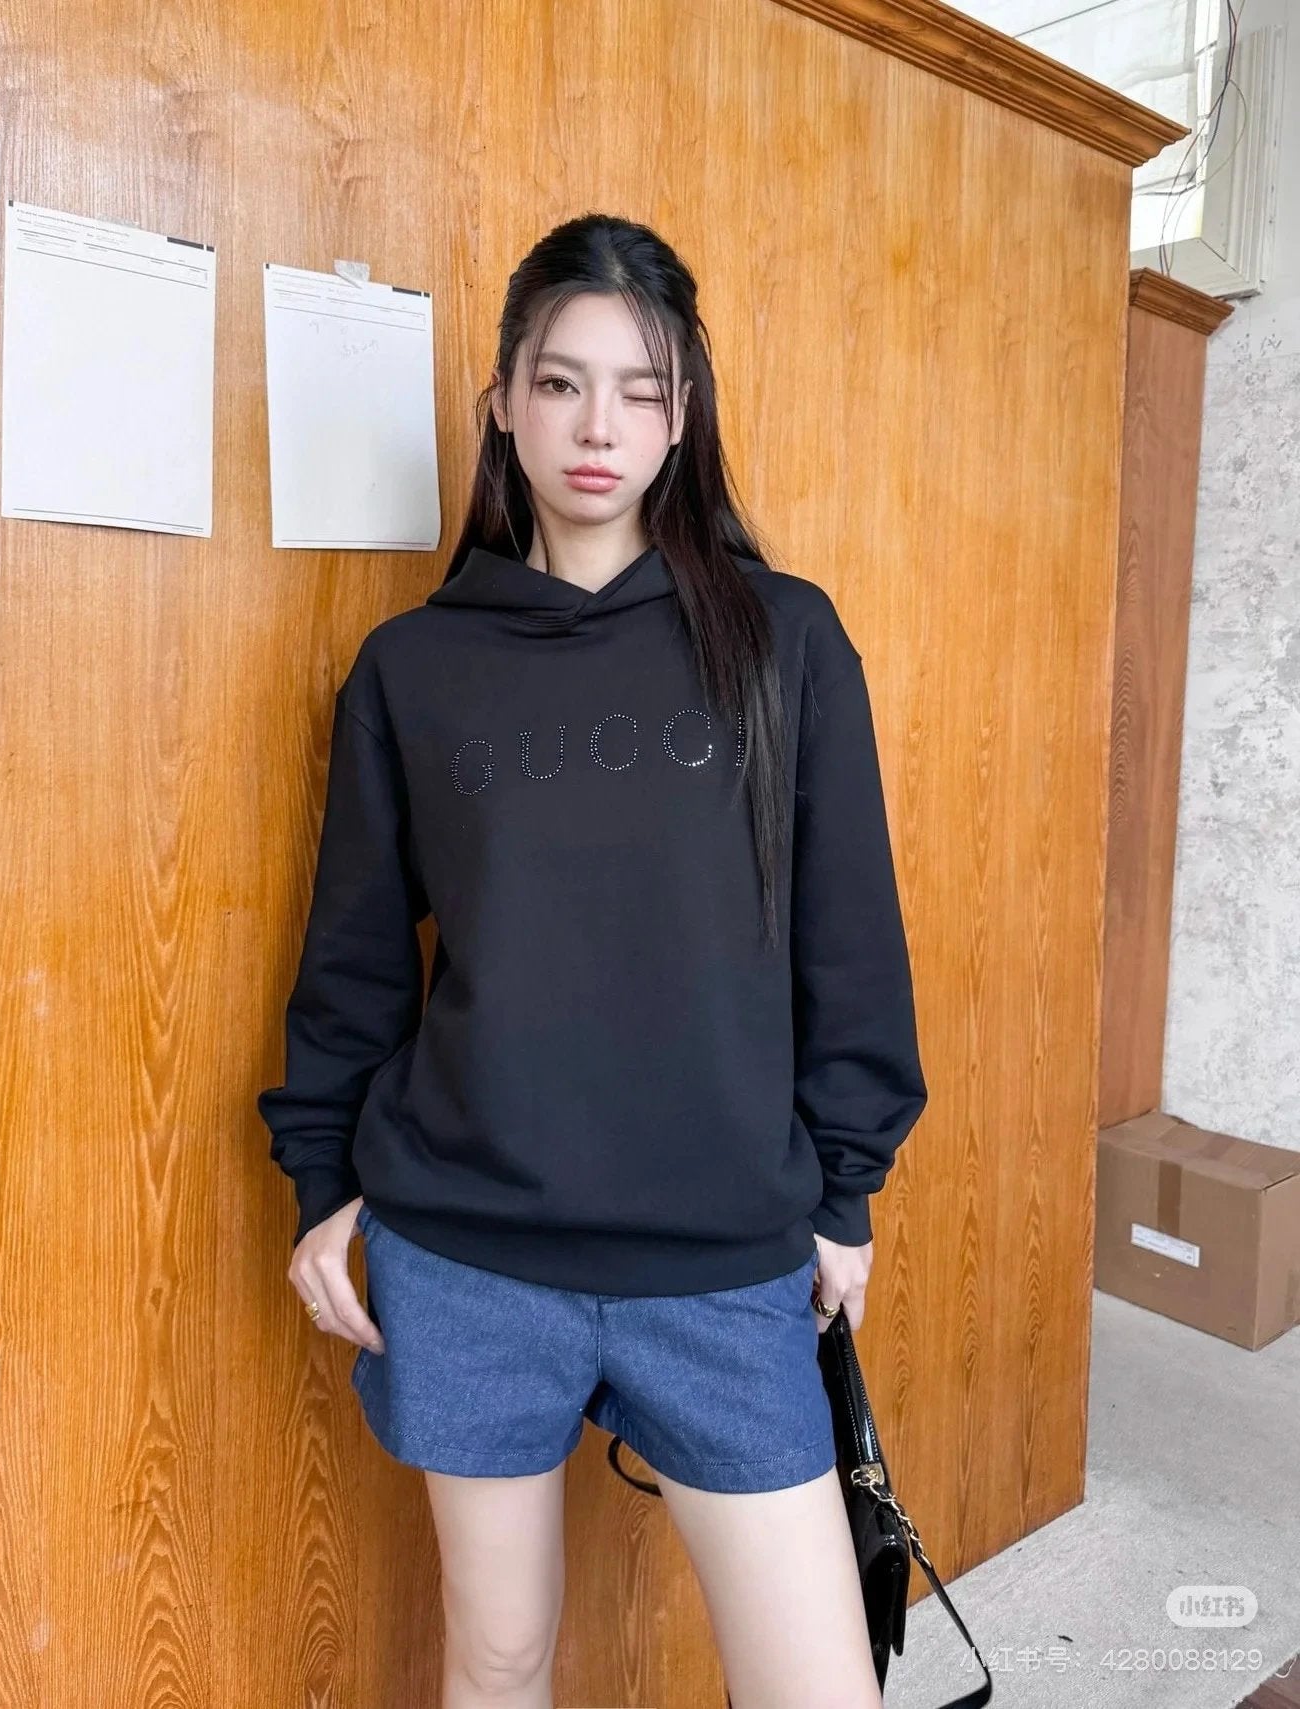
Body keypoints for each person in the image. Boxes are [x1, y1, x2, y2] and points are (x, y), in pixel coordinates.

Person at [257, 211, 927, 1709]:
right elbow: (354, 964)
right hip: (467, 1255)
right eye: (561, 383)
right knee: (497, 1657)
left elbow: (851, 940)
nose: (599, 426)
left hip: (723, 1259)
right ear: (502, 401)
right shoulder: (412, 670)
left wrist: (845, 1187)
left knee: (823, 1688)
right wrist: (321, 1184)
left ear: (685, 416)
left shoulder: (784, 642)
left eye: (642, 388)